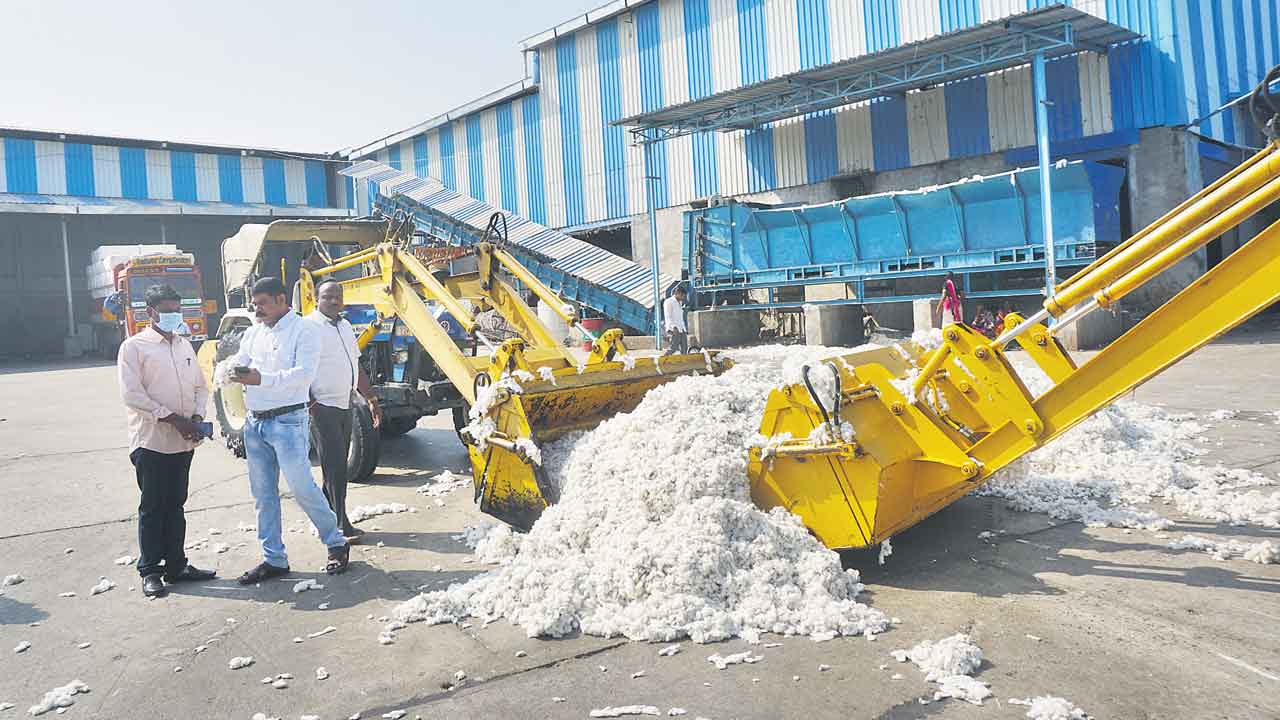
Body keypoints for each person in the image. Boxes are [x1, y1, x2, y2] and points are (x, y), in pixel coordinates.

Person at [220, 277, 351, 584]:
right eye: (254, 304)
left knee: (302, 487)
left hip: (288, 421)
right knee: (263, 494)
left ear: (281, 300)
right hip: (256, 423)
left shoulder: (305, 330)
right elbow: (240, 361)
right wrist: (229, 370)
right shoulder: (254, 332)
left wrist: (261, 379)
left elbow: (304, 374)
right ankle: (274, 558)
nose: (257, 309)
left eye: (262, 303)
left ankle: (336, 542)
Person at [117, 284, 217, 598]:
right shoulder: (134, 347)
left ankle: (176, 565)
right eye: (167, 310)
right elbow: (133, 396)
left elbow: (200, 387)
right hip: (152, 442)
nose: (174, 315)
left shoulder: (184, 345)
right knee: (153, 507)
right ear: (150, 312)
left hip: (184, 441)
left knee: (175, 505)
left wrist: (196, 418)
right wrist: (174, 419)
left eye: (177, 309)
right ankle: (150, 571)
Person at [306, 280, 381, 540]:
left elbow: (355, 364)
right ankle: (340, 525)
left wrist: (370, 397)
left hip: (344, 403)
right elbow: (298, 367)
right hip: (322, 407)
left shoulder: (345, 326)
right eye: (328, 296)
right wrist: (311, 403)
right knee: (336, 466)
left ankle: (326, 519)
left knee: (334, 467)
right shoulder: (308, 327)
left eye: (338, 296)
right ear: (316, 298)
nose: (334, 300)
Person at [663, 285, 689, 356]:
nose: (683, 298)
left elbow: (680, 317)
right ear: (677, 293)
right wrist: (673, 327)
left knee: (684, 348)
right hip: (674, 329)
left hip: (681, 328)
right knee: (673, 348)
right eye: (682, 296)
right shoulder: (668, 302)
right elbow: (668, 316)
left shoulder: (679, 302)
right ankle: (663, 360)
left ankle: (683, 362)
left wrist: (684, 329)